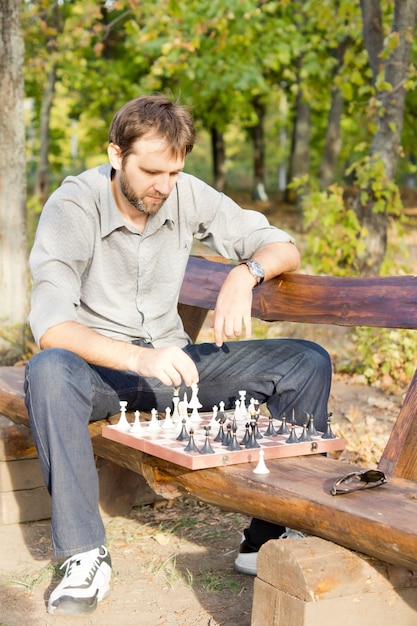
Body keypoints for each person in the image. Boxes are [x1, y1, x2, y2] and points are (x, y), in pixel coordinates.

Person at [25, 95, 332, 616]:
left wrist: (244, 274)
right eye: (150, 171)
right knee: (47, 371)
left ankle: (266, 540)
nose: (162, 186)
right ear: (115, 154)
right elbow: (51, 327)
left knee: (306, 360)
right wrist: (139, 358)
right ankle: (84, 555)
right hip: (102, 372)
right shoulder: (73, 204)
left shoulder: (184, 194)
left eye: (174, 172)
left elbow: (281, 243)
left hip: (178, 368)